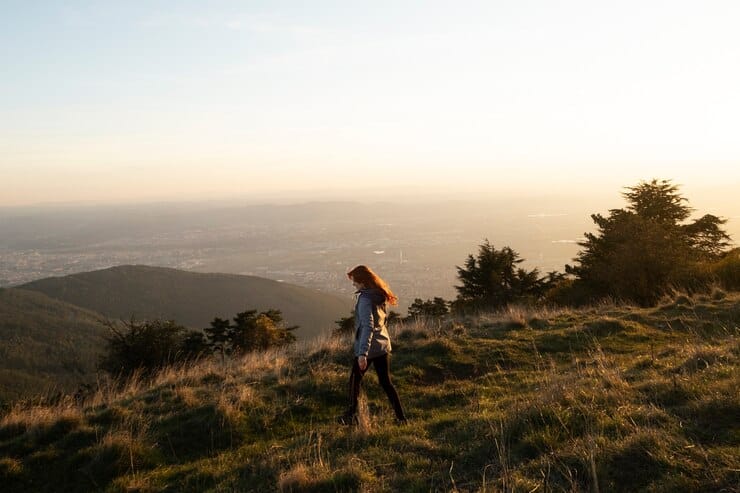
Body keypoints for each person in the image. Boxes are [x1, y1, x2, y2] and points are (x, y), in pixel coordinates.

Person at [338, 265, 407, 425]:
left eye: (354, 281)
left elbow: (367, 326)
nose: (353, 284)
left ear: (362, 281)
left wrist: (363, 354)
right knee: (386, 383)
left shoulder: (365, 299)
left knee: (354, 380)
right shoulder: (379, 294)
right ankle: (401, 418)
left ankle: (351, 415)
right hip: (382, 345)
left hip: (369, 348)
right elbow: (380, 322)